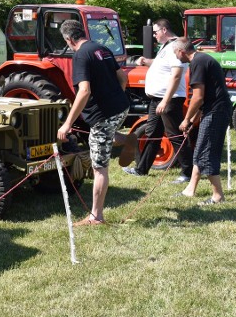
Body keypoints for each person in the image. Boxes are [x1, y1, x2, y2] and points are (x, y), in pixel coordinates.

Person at [56, 19, 137, 226]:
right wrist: (115, 96)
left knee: (99, 167)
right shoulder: (102, 49)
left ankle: (96, 216)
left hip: (104, 115)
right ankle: (128, 140)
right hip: (121, 107)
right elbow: (123, 78)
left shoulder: (81, 55)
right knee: (102, 136)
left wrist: (67, 124)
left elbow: (84, 91)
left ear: (68, 39)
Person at [122, 19, 192, 183]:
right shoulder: (166, 46)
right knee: (152, 134)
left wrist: (165, 101)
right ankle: (141, 169)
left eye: (155, 32)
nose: (154, 35)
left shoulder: (176, 45)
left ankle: (188, 172)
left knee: (175, 135)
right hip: (157, 99)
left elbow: (176, 74)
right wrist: (147, 62)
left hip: (169, 99)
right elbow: (163, 64)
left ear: (164, 30)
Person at [173, 39, 232, 205]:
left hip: (216, 112)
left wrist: (185, 120)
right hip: (214, 110)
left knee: (207, 154)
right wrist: (193, 119)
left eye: (175, 53)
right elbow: (208, 95)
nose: (175, 57)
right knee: (199, 150)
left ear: (181, 51)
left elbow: (198, 97)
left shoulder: (197, 63)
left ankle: (218, 196)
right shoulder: (202, 58)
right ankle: (190, 189)